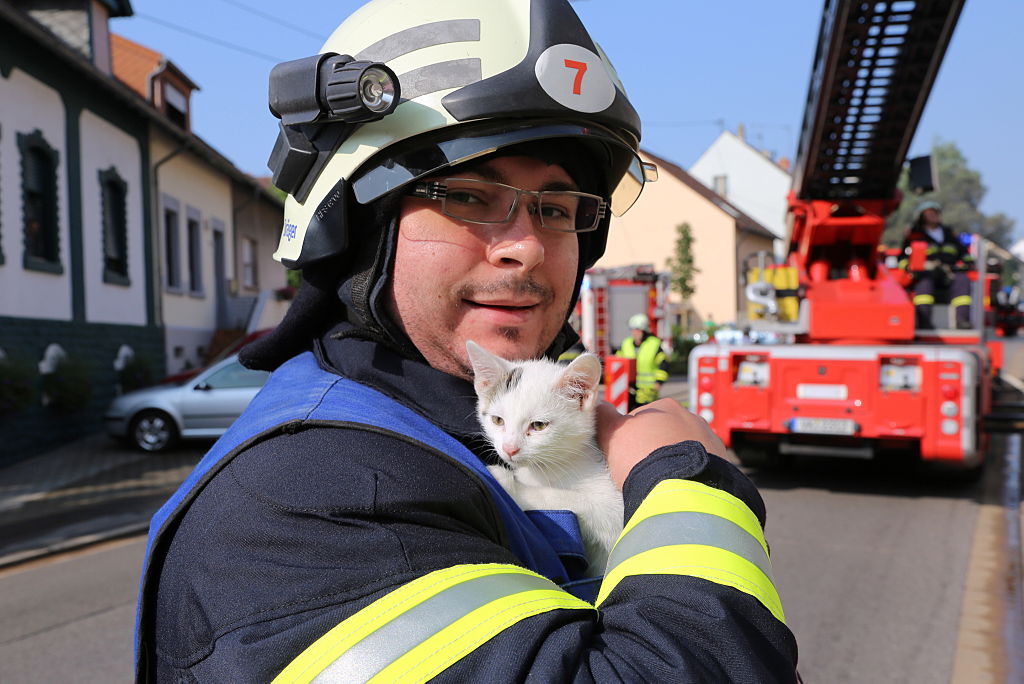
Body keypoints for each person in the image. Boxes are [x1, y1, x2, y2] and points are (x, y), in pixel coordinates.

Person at [134, 1, 798, 681]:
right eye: (469, 196)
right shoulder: (302, 506)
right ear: (359, 226)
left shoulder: (452, 429)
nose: (527, 247)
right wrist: (688, 487)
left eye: (558, 209)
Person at [898, 200, 974, 329]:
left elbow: (963, 253)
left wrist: (968, 263)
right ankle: (924, 321)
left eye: (935, 213)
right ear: (921, 216)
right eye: (929, 213)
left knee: (962, 280)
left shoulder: (949, 233)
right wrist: (910, 268)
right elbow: (902, 258)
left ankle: (962, 321)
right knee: (924, 284)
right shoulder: (914, 235)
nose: (933, 216)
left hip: (949, 273)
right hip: (925, 273)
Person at [616, 313, 669, 409]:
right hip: (628, 391)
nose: (634, 332)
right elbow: (618, 362)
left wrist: (658, 383)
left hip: (648, 392)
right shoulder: (626, 344)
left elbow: (663, 365)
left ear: (644, 330)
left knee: (647, 419)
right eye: (633, 329)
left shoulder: (654, 344)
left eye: (637, 329)